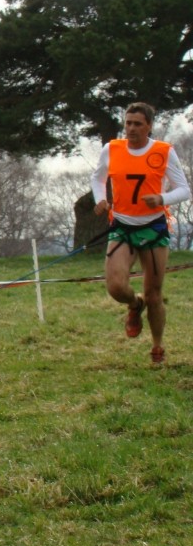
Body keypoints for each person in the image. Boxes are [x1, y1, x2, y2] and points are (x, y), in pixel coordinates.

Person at [91, 102, 190, 364]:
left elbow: (184, 190)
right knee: (115, 287)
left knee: (154, 294)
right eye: (128, 123)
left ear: (149, 126)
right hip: (122, 226)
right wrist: (100, 199)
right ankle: (135, 305)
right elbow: (97, 178)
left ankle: (157, 347)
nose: (131, 128)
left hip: (153, 227)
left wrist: (161, 197)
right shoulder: (111, 149)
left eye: (137, 124)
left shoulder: (162, 152)